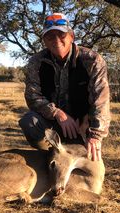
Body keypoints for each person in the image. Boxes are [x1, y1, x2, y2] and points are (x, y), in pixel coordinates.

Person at [19, 12, 111, 161]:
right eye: (50, 37)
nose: (56, 40)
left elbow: (101, 100)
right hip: (54, 124)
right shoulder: (36, 62)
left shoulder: (92, 60)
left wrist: (95, 135)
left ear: (71, 37)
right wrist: (57, 113)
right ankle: (51, 155)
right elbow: (32, 96)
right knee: (29, 121)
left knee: (89, 165)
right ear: (44, 41)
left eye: (61, 35)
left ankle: (82, 145)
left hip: (82, 125)